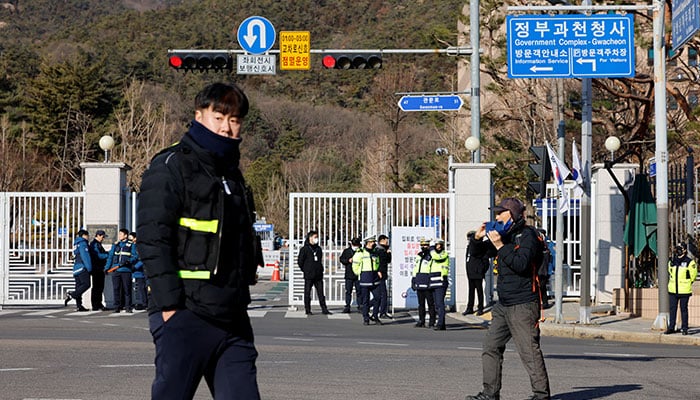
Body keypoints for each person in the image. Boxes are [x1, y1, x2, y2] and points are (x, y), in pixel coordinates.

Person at [137, 82, 261, 399]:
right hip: (186, 313)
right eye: (218, 116)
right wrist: (169, 308)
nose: (227, 127)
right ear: (198, 115)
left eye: (234, 120)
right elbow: (153, 238)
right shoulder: (170, 166)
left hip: (232, 318)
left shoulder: (232, 175)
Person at [465, 197, 551, 400]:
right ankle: (490, 393)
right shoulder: (504, 234)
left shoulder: (527, 235)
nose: (495, 217)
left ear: (511, 214)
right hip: (503, 304)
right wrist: (477, 239)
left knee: (528, 351)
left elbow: (521, 264)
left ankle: (541, 395)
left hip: (523, 304)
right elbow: (480, 254)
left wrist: (500, 245)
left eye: (499, 213)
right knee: (491, 347)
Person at [665, 243, 697, 335]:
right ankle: (671, 327)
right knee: (672, 309)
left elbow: (693, 275)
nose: (678, 250)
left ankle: (685, 328)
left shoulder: (689, 262)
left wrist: (688, 282)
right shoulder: (672, 261)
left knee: (683, 309)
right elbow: (670, 271)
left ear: (685, 250)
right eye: (677, 248)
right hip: (673, 290)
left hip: (684, 290)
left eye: (680, 248)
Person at [298, 230, 331, 315]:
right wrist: (306, 270)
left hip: (318, 275)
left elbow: (319, 260)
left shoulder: (318, 249)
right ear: (310, 238)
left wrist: (320, 269)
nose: (316, 239)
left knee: (321, 293)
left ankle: (324, 309)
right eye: (315, 237)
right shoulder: (304, 249)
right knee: (307, 292)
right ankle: (307, 309)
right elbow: (300, 262)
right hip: (309, 275)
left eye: (317, 237)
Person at [105, 228, 137, 313]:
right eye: (119, 234)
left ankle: (128, 307)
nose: (119, 236)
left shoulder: (131, 245)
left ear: (125, 235)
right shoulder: (116, 245)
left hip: (126, 270)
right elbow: (110, 257)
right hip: (116, 270)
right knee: (116, 288)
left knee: (127, 289)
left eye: (121, 234)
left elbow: (135, 256)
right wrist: (107, 268)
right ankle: (117, 306)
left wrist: (129, 261)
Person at [353, 236, 382, 325]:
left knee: (378, 297)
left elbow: (377, 263)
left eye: (374, 242)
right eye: (372, 242)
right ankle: (366, 318)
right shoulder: (360, 253)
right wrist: (360, 274)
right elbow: (355, 265)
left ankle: (375, 316)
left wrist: (378, 271)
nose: (374, 243)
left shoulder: (375, 253)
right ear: (368, 243)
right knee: (365, 300)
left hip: (374, 278)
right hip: (365, 278)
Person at [463, 230, 489, 316]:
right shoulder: (469, 248)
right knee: (471, 291)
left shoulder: (480, 248)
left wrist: (481, 270)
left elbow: (486, 261)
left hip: (478, 272)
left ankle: (480, 308)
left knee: (479, 290)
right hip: (470, 272)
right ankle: (469, 307)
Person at [64, 229, 91, 312]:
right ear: (84, 235)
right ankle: (72, 294)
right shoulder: (83, 243)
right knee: (86, 284)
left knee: (79, 287)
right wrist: (89, 268)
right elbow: (85, 256)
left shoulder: (76, 244)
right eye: (87, 235)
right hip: (82, 267)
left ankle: (79, 306)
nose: (88, 237)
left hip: (76, 268)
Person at [412, 238, 436, 328]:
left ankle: (432, 322)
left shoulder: (432, 256)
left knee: (430, 303)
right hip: (419, 280)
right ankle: (421, 320)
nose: (423, 247)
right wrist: (414, 279)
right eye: (422, 245)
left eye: (425, 245)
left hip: (427, 281)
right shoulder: (419, 255)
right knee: (421, 304)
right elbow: (415, 268)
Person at [88, 230, 109, 311]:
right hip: (97, 269)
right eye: (103, 237)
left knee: (99, 287)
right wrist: (108, 254)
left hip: (99, 268)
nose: (103, 239)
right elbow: (98, 256)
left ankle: (98, 304)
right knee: (97, 287)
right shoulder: (95, 244)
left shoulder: (98, 244)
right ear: (98, 235)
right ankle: (96, 304)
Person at [431, 238, 450, 330]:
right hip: (433, 282)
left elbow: (436, 257)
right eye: (437, 245)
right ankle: (441, 324)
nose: (439, 246)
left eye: (440, 245)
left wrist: (431, 249)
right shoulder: (432, 253)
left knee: (439, 303)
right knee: (436, 304)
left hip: (441, 282)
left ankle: (440, 323)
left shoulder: (444, 254)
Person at [340, 237, 361, 313]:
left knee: (359, 291)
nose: (356, 246)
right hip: (349, 274)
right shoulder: (346, 251)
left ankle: (360, 306)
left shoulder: (361, 251)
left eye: (357, 245)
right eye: (354, 244)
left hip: (358, 274)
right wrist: (348, 260)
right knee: (348, 291)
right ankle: (347, 306)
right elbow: (341, 259)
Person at [128, 232, 147, 311]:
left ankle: (144, 303)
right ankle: (135, 302)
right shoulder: (130, 246)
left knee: (141, 288)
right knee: (133, 288)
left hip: (139, 271)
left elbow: (142, 258)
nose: (130, 240)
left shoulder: (139, 247)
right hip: (131, 270)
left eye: (131, 238)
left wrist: (135, 267)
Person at [375, 234, 393, 319]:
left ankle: (365, 306)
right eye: (386, 240)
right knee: (383, 294)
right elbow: (382, 261)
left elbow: (388, 260)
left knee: (380, 294)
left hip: (382, 273)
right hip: (380, 274)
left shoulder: (382, 249)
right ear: (382, 240)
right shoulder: (379, 250)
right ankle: (382, 312)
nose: (387, 242)